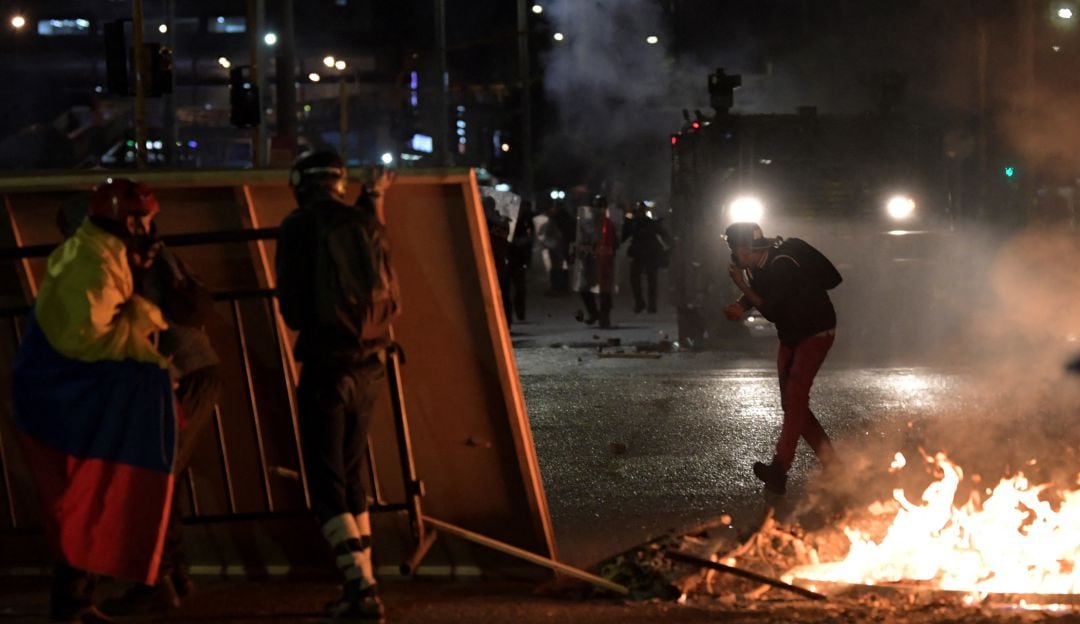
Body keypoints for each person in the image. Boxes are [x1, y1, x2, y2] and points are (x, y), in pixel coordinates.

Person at [13, 179, 177, 624]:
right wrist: (143, 321)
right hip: (65, 398)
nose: (148, 226)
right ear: (123, 220)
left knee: (82, 493)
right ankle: (73, 605)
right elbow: (88, 340)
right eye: (142, 218)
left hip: (68, 394)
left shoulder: (99, 252)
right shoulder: (94, 262)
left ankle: (76, 602)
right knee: (79, 495)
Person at [276, 150, 399, 623]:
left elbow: (291, 309)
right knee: (352, 476)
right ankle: (363, 583)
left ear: (299, 183)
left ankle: (361, 588)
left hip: (327, 365)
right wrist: (376, 197)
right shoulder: (365, 224)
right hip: (371, 366)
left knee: (326, 482)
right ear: (340, 185)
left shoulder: (297, 227)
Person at [84, 208, 223, 615]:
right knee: (165, 476)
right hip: (199, 368)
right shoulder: (161, 253)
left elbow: (139, 325)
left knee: (148, 480)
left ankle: (156, 582)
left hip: (175, 376)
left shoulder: (131, 264)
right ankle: (174, 574)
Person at [721, 222, 842, 495]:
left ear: (742, 249)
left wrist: (740, 285)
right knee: (792, 404)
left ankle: (779, 469)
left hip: (816, 332)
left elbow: (773, 310)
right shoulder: (760, 264)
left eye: (733, 249)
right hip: (792, 334)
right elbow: (761, 292)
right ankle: (832, 464)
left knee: (796, 397)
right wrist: (741, 304)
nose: (732, 255)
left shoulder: (783, 264)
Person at [571, 194, 618, 328]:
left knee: (604, 290)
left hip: (604, 261)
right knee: (585, 288)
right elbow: (581, 240)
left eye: (601, 206)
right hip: (590, 259)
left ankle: (604, 317)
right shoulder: (588, 223)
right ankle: (594, 313)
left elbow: (614, 243)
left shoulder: (608, 224)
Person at [621, 202, 670, 314]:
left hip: (649, 254)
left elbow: (665, 236)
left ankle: (648, 305)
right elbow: (624, 237)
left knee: (650, 281)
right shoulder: (635, 223)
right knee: (639, 280)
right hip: (641, 254)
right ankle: (642, 303)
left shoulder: (649, 223)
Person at [483, 196, 514, 326]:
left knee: (502, 294)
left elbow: (504, 237)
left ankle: (505, 322)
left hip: (498, 262)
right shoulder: (483, 220)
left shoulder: (498, 221)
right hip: (487, 263)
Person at [507, 199, 535, 321]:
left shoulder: (526, 221)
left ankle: (519, 312)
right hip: (507, 258)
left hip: (519, 259)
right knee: (506, 289)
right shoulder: (505, 220)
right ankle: (508, 316)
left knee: (520, 289)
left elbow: (529, 239)